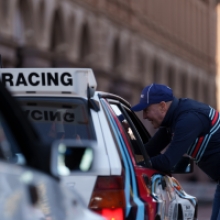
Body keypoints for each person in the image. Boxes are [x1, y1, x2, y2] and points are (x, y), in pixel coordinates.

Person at [131, 83, 220, 220]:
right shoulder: (173, 119)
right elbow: (148, 150)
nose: (144, 116)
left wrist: (131, 166)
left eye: (146, 110)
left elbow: (167, 161)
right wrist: (123, 143)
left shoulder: (188, 119)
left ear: (162, 106)